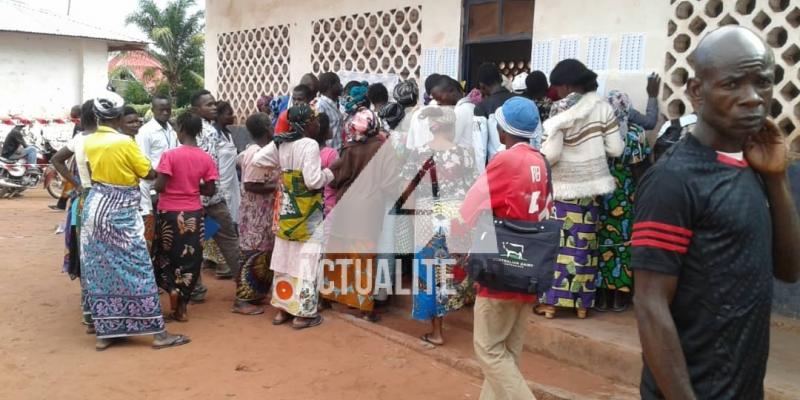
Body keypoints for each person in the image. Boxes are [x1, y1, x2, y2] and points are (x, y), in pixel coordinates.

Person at [633, 26, 800, 399]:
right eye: (732, 85)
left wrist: (777, 179)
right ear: (697, 92)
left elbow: (789, 270)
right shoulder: (673, 180)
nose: (753, 99)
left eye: (763, 83)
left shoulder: (752, 170)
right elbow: (649, 303)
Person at [456, 96, 550, 400]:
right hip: (531, 267)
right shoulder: (541, 160)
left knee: (489, 351)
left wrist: (457, 241)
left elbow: (472, 204)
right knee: (507, 353)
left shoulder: (506, 160)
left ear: (503, 129)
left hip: (502, 264)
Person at [80, 91, 189, 351]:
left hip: (95, 207)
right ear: (118, 116)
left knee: (101, 269)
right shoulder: (125, 143)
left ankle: (107, 332)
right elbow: (148, 173)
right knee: (139, 267)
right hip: (121, 210)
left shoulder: (89, 140)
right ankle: (158, 334)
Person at [537, 59, 624, 319]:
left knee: (559, 248)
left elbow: (551, 154)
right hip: (591, 192)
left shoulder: (560, 109)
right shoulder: (604, 107)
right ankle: (582, 305)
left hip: (563, 190)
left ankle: (552, 304)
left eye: (558, 86)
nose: (556, 92)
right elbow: (616, 149)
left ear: (566, 85)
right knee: (584, 248)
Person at [252, 103, 333, 329]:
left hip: (286, 210)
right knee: (306, 260)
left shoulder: (282, 143)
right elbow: (313, 181)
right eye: (315, 120)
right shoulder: (309, 144)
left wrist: (282, 171)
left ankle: (282, 310)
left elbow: (258, 159)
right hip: (306, 211)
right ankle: (303, 315)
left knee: (284, 258)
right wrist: (330, 172)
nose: (318, 124)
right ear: (307, 124)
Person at [400, 106, 476, 345]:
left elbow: (406, 187)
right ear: (451, 127)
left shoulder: (420, 152)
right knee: (451, 269)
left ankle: (437, 331)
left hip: (427, 215)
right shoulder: (465, 153)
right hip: (457, 216)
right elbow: (473, 188)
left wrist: (411, 212)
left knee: (429, 271)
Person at [153, 112, 218, 322]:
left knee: (166, 256)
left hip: (169, 214)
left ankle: (172, 290)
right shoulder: (205, 157)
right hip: (194, 214)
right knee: (191, 259)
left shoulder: (169, 155)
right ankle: (182, 305)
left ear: (180, 129)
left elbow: (160, 186)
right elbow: (209, 190)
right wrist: (190, 186)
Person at [324, 108, 387, 321]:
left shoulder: (348, 149)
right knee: (365, 257)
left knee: (341, 253)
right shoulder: (381, 148)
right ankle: (365, 307)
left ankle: (336, 297)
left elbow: (335, 178)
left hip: (347, 208)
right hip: (370, 210)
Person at [594, 90, 653, 313]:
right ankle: (619, 297)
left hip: (600, 194)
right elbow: (641, 171)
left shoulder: (597, 134)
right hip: (626, 195)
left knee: (600, 244)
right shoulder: (635, 135)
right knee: (622, 246)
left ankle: (599, 296)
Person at [51, 99, 97, 331]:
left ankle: (88, 311)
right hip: (102, 201)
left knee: (85, 255)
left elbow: (56, 160)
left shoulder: (78, 139)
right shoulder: (103, 139)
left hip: (82, 201)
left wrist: (77, 184)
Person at [231, 112, 280, 315]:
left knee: (263, 253)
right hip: (255, 214)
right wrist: (277, 185)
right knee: (252, 253)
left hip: (263, 213)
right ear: (268, 128)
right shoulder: (255, 153)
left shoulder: (261, 150)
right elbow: (251, 184)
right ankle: (242, 300)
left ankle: (256, 294)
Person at [192, 90, 240, 283]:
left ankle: (194, 288)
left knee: (194, 243)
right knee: (229, 240)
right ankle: (246, 291)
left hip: (200, 196)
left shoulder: (193, 130)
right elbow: (207, 164)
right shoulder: (209, 131)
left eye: (214, 104)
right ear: (197, 109)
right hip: (209, 196)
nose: (214, 107)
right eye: (209, 105)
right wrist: (206, 195)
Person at [136, 96, 178, 254]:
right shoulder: (145, 131)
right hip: (151, 185)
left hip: (169, 186)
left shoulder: (172, 130)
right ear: (153, 110)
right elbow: (143, 161)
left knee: (165, 231)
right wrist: (158, 178)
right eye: (162, 109)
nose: (166, 112)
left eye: (168, 109)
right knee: (150, 229)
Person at [473, 63, 518, 172]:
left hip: (497, 169)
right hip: (520, 165)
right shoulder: (521, 101)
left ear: (482, 85)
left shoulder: (482, 108)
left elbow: (480, 149)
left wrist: (481, 178)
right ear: (500, 79)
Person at [316, 72, 345, 150]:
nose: (341, 86)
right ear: (330, 86)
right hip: (328, 154)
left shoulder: (334, 104)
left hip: (338, 152)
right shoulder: (321, 106)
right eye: (338, 83)